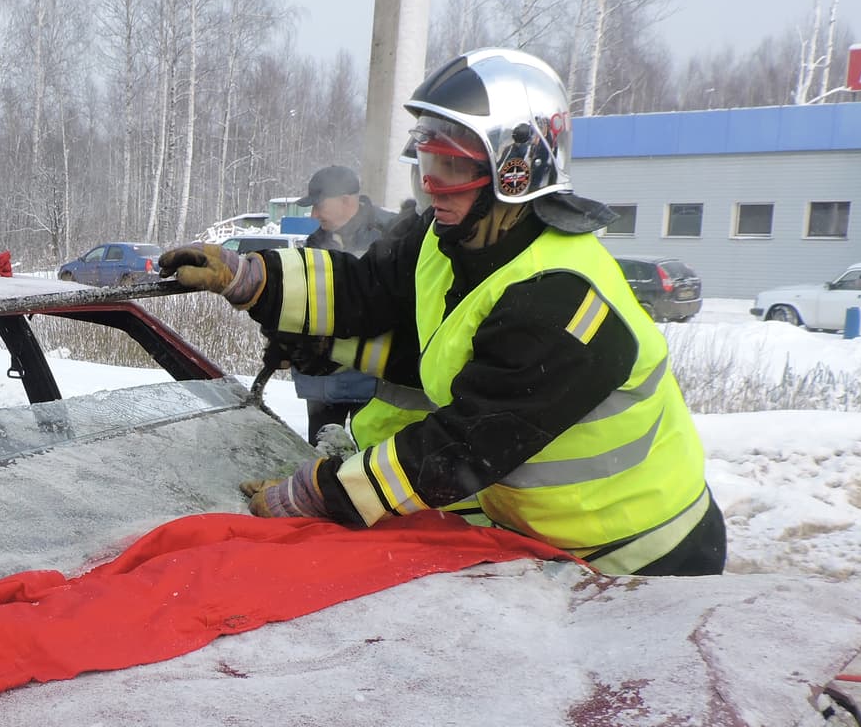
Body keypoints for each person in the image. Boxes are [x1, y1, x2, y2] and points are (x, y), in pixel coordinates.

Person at [160, 47, 724, 577]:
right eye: (425, 166)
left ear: (516, 172)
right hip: (542, 545)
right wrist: (250, 276)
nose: (432, 190)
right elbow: (363, 289)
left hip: (642, 556)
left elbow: (460, 446)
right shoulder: (448, 235)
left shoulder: (560, 300)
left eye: (452, 171)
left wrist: (318, 495)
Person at [292, 163, 398, 438]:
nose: (314, 214)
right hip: (325, 382)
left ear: (345, 200)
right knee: (322, 454)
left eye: (318, 205)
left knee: (369, 461)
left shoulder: (393, 233)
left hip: (376, 381)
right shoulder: (314, 242)